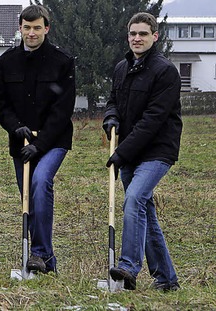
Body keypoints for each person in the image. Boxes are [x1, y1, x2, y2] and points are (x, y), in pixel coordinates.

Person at [0, 5, 75, 274]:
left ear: (46, 28)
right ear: (20, 28)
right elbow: (1, 103)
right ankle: (45, 261)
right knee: (28, 198)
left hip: (53, 141)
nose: (32, 33)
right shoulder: (7, 61)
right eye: (27, 27)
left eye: (37, 27)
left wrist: (40, 144)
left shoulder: (62, 61)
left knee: (41, 183)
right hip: (21, 142)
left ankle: (38, 252)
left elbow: (63, 110)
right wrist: (15, 128)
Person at [103, 12, 182, 291]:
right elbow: (113, 101)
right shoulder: (122, 68)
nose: (137, 39)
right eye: (133, 34)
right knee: (144, 210)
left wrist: (121, 153)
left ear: (155, 36)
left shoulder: (165, 71)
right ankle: (167, 279)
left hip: (158, 150)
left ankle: (128, 265)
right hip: (130, 150)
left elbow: (153, 120)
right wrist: (110, 118)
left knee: (135, 198)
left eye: (143, 34)